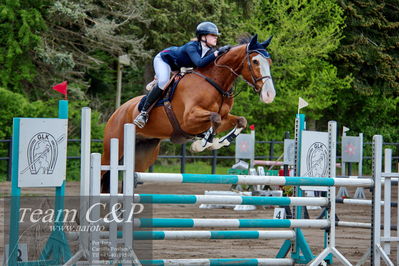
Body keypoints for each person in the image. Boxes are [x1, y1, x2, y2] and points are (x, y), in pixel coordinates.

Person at [134, 21, 231, 128]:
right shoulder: (192, 47)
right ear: (203, 36)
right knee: (164, 81)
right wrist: (217, 53)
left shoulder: (209, 51)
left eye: (216, 36)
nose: (216, 38)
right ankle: (143, 113)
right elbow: (199, 63)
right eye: (213, 35)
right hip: (164, 60)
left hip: (178, 66)